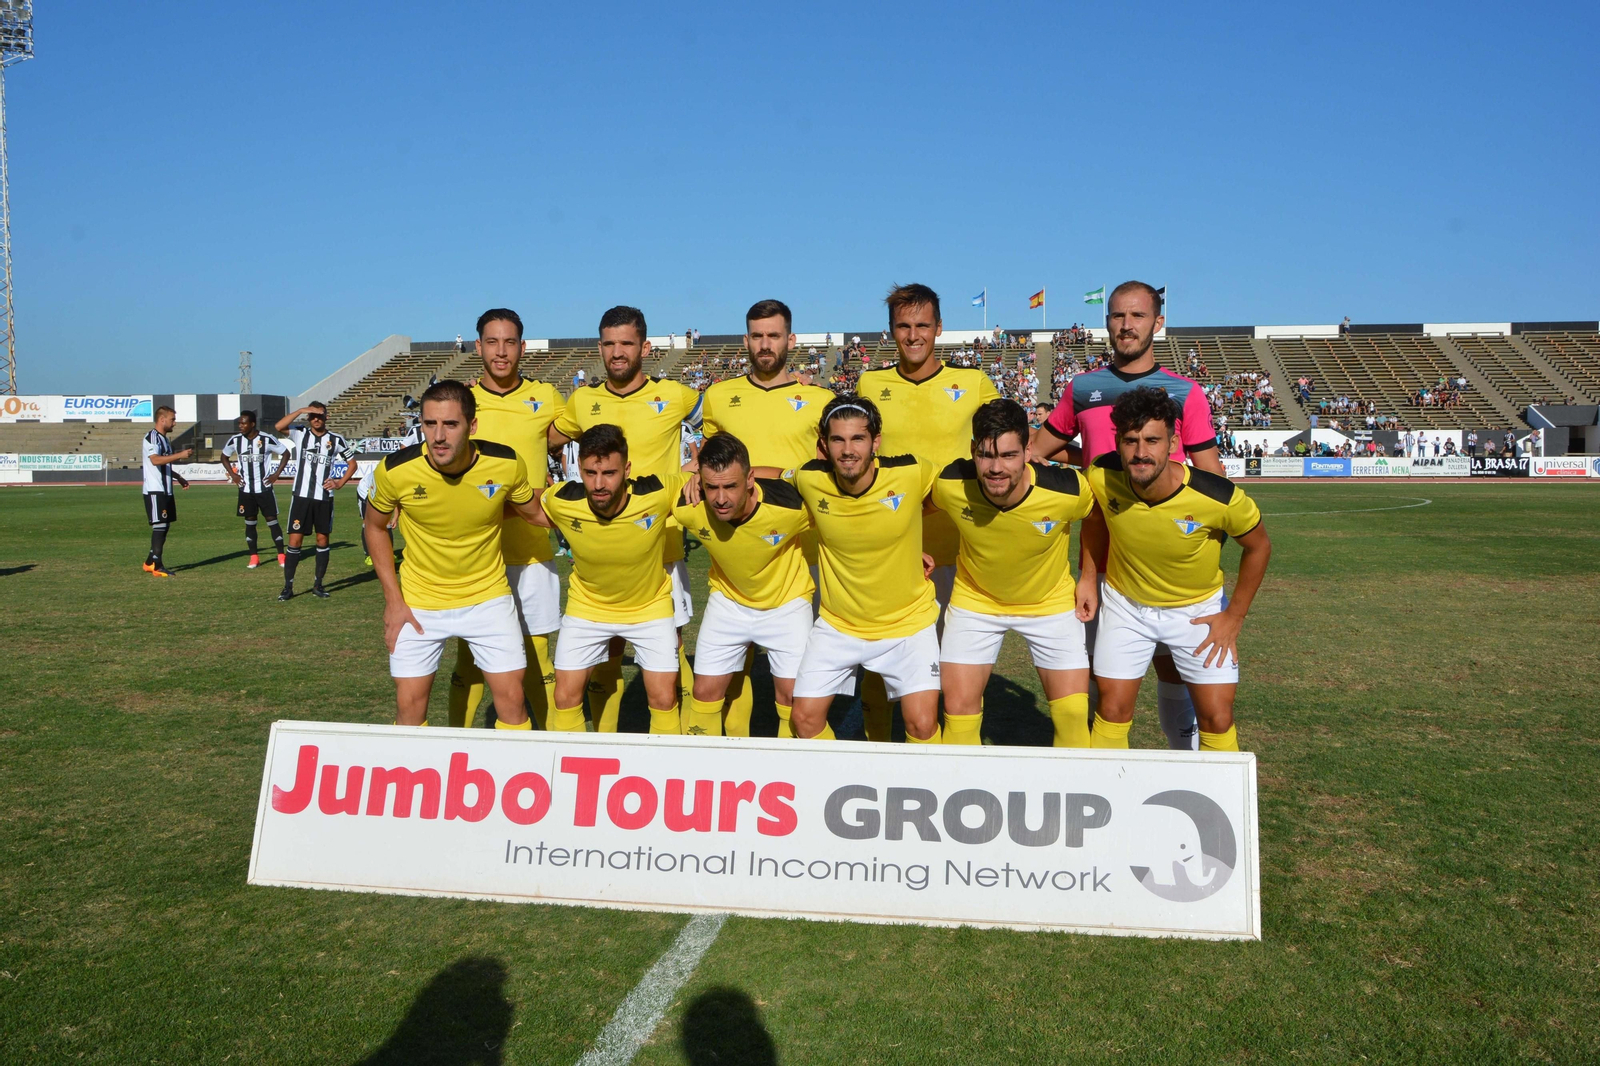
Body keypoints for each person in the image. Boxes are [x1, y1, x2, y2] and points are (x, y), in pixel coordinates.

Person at [1029, 280, 1226, 751]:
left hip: (1167, 563)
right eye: (1118, 316)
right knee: (1106, 677)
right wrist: (1090, 463)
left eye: (1137, 316)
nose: (1126, 325)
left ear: (1157, 323)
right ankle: (1106, 785)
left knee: (1173, 669)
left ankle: (1186, 760)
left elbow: (1214, 484)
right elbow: (1037, 451)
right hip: (1101, 561)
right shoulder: (1083, 389)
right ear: (1107, 323)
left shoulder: (1185, 393)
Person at [1081, 387, 1271, 751]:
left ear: (1173, 442)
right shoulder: (1101, 477)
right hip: (1126, 608)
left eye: (1152, 440)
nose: (1141, 453)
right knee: (1111, 710)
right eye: (1130, 440)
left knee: (1217, 717)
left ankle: (1211, 798)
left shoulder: (1217, 496)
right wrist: (1089, 578)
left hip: (1198, 611)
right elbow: (1093, 520)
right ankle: (1110, 801)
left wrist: (1235, 615)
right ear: (1117, 442)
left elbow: (1259, 545)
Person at [852, 283, 998, 741]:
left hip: (960, 552)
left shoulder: (973, 383)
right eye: (904, 326)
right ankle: (876, 756)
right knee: (877, 666)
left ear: (939, 328)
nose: (913, 335)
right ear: (891, 331)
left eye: (922, 325)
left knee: (953, 674)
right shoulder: (870, 384)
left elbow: (1006, 448)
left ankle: (951, 772)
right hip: (890, 552)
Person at [549, 306, 703, 725]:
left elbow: (722, 427)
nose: (618, 352)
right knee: (606, 654)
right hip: (603, 543)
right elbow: (545, 439)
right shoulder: (582, 400)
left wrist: (697, 469)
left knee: (669, 649)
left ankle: (686, 734)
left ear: (645, 348)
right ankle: (602, 738)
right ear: (600, 347)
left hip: (661, 543)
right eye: (610, 344)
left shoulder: (675, 395)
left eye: (627, 344)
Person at [698, 299, 836, 736]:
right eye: (757, 335)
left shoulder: (820, 399)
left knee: (800, 685)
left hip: (804, 554)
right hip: (737, 552)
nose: (765, 344)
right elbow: (708, 460)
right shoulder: (719, 397)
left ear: (790, 340)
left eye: (774, 335)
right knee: (731, 672)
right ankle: (735, 771)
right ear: (745, 340)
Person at [364, 380, 536, 730]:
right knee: (409, 708)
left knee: (513, 702)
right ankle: (412, 780)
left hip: (487, 597)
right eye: (430, 424)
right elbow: (374, 527)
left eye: (450, 424)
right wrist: (393, 601)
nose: (438, 436)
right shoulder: (395, 470)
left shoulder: (505, 464)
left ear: (471, 426)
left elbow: (535, 512)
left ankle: (512, 780)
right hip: (418, 602)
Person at [932, 399, 1096, 746]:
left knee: (1072, 718)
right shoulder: (950, 483)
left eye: (1008, 455)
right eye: (986, 455)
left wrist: (1088, 577)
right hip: (975, 603)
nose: (995, 468)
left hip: (1050, 604)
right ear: (972, 450)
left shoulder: (1066, 490)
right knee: (957, 715)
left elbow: (1095, 517)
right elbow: (912, 508)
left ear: (1027, 451)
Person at [785, 395, 942, 743]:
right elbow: (766, 477)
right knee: (804, 720)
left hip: (908, 623)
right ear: (823, 445)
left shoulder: (911, 470)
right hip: (840, 625)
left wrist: (907, 534)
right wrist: (697, 474)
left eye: (858, 438)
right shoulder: (809, 478)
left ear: (876, 442)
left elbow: (951, 490)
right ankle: (838, 787)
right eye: (838, 439)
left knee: (921, 724)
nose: (848, 449)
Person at [445, 308, 566, 730]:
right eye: (492, 342)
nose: (501, 351)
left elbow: (572, 438)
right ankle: (453, 747)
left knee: (538, 656)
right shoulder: (460, 402)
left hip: (531, 551)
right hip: (477, 555)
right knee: (470, 660)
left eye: (509, 342)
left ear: (522, 346)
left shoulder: (547, 397)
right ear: (478, 346)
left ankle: (553, 746)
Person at [521, 424, 686, 734]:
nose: (598, 484)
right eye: (589, 473)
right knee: (565, 697)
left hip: (649, 609)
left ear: (626, 469)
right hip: (588, 610)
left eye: (609, 473)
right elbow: (526, 508)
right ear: (578, 469)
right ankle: (575, 774)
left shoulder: (658, 492)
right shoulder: (563, 500)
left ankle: (664, 775)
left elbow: (708, 480)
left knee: (664, 699)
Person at [672, 433, 813, 737]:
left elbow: (845, 522)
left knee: (794, 700)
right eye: (712, 487)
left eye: (730, 486)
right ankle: (702, 775)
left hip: (786, 603)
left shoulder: (791, 504)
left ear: (750, 479)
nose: (720, 498)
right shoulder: (688, 506)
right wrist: (690, 476)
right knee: (705, 692)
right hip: (728, 602)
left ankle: (789, 778)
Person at [274, 402, 357, 600]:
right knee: (295, 541)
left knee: (322, 540)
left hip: (324, 499)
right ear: (309, 418)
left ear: (326, 417)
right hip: (301, 497)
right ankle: (288, 587)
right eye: (312, 416)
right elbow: (278, 426)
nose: (316, 419)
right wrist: (302, 411)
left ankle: (318, 585)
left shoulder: (336, 440)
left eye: (319, 415)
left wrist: (339, 483)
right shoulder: (300, 433)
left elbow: (352, 464)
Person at [220, 410, 290, 569]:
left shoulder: (266, 439)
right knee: (250, 523)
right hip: (245, 490)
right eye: (239, 423)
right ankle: (254, 557)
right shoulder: (235, 440)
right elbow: (224, 457)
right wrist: (233, 475)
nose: (240, 426)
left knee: (272, 521)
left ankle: (281, 555)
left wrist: (276, 474)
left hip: (264, 488)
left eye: (243, 423)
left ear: (252, 424)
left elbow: (285, 453)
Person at [140, 405, 192, 577]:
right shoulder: (152, 437)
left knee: (165, 525)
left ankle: (149, 562)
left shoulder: (164, 439)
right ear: (162, 419)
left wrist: (178, 477)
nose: (174, 423)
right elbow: (155, 460)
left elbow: (165, 463)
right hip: (155, 490)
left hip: (166, 489)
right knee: (160, 526)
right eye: (172, 419)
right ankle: (157, 565)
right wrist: (180, 455)